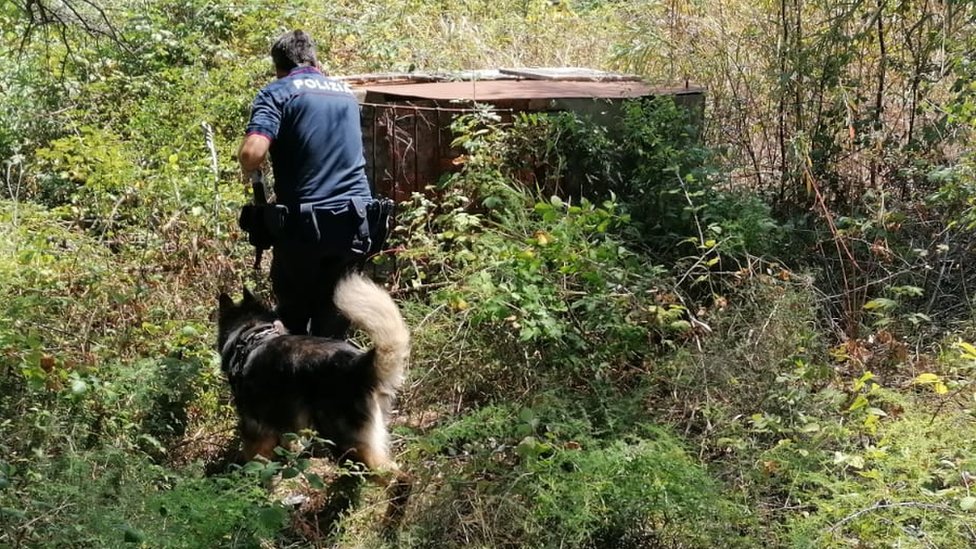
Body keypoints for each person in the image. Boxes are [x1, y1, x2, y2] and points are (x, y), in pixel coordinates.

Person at [237, 29, 374, 338]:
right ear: (315, 59)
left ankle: (297, 382)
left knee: (294, 326)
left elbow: (252, 153)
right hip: (357, 224)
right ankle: (336, 380)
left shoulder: (278, 92)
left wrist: (246, 160)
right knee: (335, 325)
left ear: (279, 67)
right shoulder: (345, 94)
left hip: (306, 230)